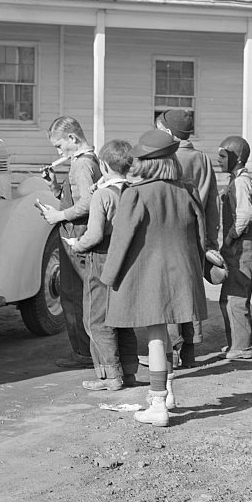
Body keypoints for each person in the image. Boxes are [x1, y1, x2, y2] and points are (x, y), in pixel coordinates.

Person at [101, 129, 208, 427]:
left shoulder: (135, 194)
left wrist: (109, 277)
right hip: (183, 272)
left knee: (156, 339)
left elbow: (121, 241)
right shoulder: (188, 190)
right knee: (167, 334)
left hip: (149, 276)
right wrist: (200, 267)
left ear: (147, 162)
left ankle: (158, 402)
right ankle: (169, 393)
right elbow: (201, 236)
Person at [65, 140, 139, 391]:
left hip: (102, 258)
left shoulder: (102, 195)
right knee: (122, 318)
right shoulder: (134, 191)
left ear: (104, 165)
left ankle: (109, 376)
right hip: (128, 258)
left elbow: (95, 234)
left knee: (97, 320)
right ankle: (129, 371)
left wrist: (77, 244)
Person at [154, 109, 220, 368]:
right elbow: (213, 201)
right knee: (190, 291)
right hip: (197, 233)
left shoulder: (166, 158)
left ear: (169, 133)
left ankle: (171, 351)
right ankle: (190, 351)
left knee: (169, 293)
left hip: (170, 234)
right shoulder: (203, 158)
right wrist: (211, 241)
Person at [38, 116, 102, 369]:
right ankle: (87, 351)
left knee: (74, 295)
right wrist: (55, 187)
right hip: (76, 233)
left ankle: (83, 353)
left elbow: (87, 203)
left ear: (73, 139)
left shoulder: (82, 165)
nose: (58, 151)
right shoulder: (84, 162)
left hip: (77, 235)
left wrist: (57, 215)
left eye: (59, 145)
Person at [217, 136, 252, 360]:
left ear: (238, 158)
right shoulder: (236, 180)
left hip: (241, 248)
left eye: (223, 156)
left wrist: (230, 239)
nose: (219, 160)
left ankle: (242, 347)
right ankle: (241, 340)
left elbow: (245, 214)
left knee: (235, 295)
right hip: (240, 247)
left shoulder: (242, 182)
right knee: (237, 293)